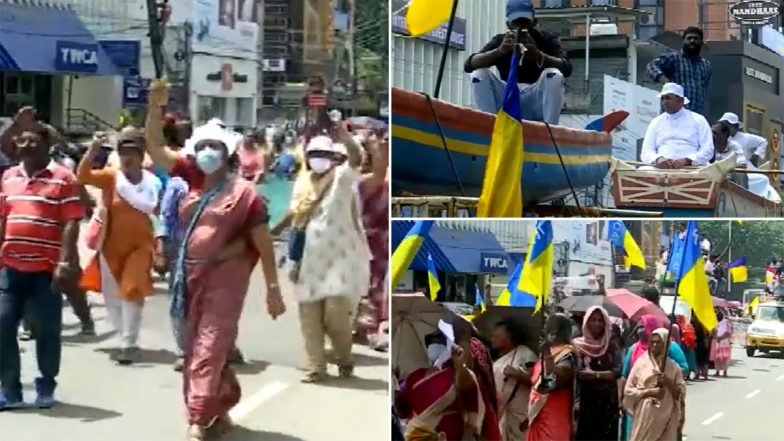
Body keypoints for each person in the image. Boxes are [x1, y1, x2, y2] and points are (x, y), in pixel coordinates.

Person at [166, 122, 285, 440]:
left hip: (226, 280)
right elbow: (154, 149)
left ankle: (199, 418)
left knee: (210, 345)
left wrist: (273, 288)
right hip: (190, 278)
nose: (208, 152)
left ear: (228, 153)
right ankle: (219, 406)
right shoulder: (192, 189)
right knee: (194, 349)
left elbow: (262, 242)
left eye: (215, 147)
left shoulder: (245, 195)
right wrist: (154, 110)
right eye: (202, 146)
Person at [271, 133, 381, 383]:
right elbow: (294, 215)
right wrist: (271, 233)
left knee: (336, 317)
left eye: (324, 155)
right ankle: (316, 367)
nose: (319, 159)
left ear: (333, 158)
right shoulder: (302, 183)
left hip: (338, 264)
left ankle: (344, 359)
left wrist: (343, 134)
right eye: (314, 155)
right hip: (307, 261)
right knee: (309, 317)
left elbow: (355, 157)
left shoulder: (342, 178)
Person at [0, 122, 83, 409]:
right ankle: (10, 390)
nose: (23, 145)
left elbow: (72, 220)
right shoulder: (9, 177)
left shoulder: (63, 178)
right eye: (20, 141)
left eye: (31, 140)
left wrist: (65, 261)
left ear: (47, 145)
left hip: (46, 270)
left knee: (47, 330)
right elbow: (3, 218)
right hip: (10, 267)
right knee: (3, 325)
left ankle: (46, 383)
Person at [77, 128, 162, 365]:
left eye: (132, 152)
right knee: (113, 296)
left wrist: (163, 244)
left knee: (132, 289)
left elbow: (160, 215)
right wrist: (92, 150)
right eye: (123, 152)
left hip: (141, 246)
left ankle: (128, 343)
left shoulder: (153, 183)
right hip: (110, 246)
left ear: (142, 154)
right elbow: (82, 176)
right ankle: (124, 333)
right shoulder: (111, 177)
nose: (127, 157)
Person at [464, 0, 572, 124]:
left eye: (526, 24)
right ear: (508, 25)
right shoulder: (502, 41)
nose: (521, 28)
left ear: (534, 23)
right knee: (479, 75)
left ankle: (550, 130)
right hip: (509, 96)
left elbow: (567, 67)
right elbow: (469, 64)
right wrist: (499, 51)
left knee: (553, 74)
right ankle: (490, 127)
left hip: (536, 99)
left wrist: (538, 55)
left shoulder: (546, 39)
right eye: (516, 24)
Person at [395, 332, 488, 440]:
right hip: (416, 436)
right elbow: (403, 413)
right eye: (429, 343)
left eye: (439, 342)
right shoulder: (414, 377)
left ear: (449, 345)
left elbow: (472, 414)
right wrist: (395, 388)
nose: (433, 346)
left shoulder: (461, 374)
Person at [621, 315, 688, 440]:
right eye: (652, 342)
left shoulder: (673, 367)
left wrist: (667, 382)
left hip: (667, 417)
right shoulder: (641, 364)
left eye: (658, 342)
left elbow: (680, 393)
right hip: (645, 415)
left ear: (665, 345)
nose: (654, 345)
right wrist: (649, 392)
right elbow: (629, 390)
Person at [526, 313, 578, 441]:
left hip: (554, 417)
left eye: (547, 325)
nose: (544, 329)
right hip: (538, 413)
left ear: (555, 331)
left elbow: (550, 383)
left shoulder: (566, 354)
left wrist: (547, 355)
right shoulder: (549, 350)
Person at [573, 306, 622, 441]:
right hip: (585, 401)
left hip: (607, 403)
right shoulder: (577, 346)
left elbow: (617, 371)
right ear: (586, 322)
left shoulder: (611, 345)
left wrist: (595, 375)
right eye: (593, 320)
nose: (597, 323)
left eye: (600, 320)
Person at [640, 82, 714, 168]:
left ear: (681, 100)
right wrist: (658, 159)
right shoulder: (656, 122)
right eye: (662, 99)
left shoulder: (698, 119)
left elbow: (708, 149)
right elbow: (646, 151)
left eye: (668, 98)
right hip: (661, 168)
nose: (664, 102)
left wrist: (687, 160)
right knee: (643, 170)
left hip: (692, 167)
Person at [647, 26, 711, 116]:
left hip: (695, 116)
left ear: (701, 42)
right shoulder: (674, 58)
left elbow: (704, 91)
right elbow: (651, 66)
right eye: (689, 38)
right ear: (683, 41)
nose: (692, 41)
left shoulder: (706, 65)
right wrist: (664, 80)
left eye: (696, 38)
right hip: (674, 115)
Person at [490, 318, 536, 440]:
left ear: (508, 337)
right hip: (502, 415)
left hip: (521, 416)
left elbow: (538, 382)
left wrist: (517, 375)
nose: (492, 339)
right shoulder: (494, 360)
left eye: (496, 336)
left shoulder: (525, 354)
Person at [711, 122, 748, 188]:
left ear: (724, 134)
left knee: (741, 174)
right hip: (712, 176)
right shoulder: (707, 146)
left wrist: (724, 169)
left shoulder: (734, 146)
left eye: (715, 133)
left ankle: (741, 196)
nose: (712, 135)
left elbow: (742, 165)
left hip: (730, 175)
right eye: (711, 132)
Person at [710, 311, 732, 376]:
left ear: (722, 316)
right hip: (716, 341)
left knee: (725, 357)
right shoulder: (714, 322)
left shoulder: (726, 322)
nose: (718, 317)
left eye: (720, 315)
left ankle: (725, 372)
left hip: (724, 342)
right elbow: (712, 331)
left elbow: (728, 332)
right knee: (716, 357)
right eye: (717, 316)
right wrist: (716, 337)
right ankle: (717, 371)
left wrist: (721, 338)